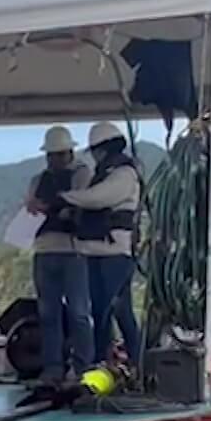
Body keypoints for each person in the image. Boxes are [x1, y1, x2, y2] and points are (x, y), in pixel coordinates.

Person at [60, 121, 142, 367]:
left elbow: (99, 199)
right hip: (96, 252)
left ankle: (134, 365)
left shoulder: (124, 174)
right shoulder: (105, 174)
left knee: (114, 311)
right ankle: (105, 365)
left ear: (104, 149)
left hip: (115, 252)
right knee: (101, 311)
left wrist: (66, 198)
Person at [24, 125, 94, 382]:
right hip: (44, 251)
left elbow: (79, 204)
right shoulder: (37, 179)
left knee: (78, 312)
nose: (56, 159)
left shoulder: (82, 174)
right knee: (48, 313)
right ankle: (53, 367)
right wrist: (55, 209)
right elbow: (32, 208)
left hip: (72, 251)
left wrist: (51, 208)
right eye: (53, 155)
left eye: (61, 154)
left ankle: (83, 366)